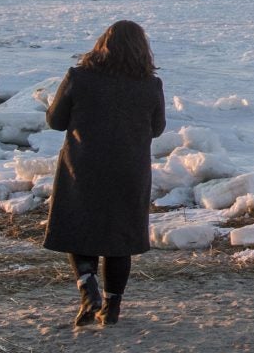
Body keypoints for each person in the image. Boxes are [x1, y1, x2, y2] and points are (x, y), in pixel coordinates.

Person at [43, 20, 167, 329]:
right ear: (142, 49)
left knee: (79, 227)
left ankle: (88, 290)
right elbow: (157, 129)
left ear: (102, 45)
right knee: (119, 238)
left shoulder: (79, 77)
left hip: (83, 167)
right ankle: (111, 308)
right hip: (129, 170)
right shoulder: (150, 85)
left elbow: (55, 121)